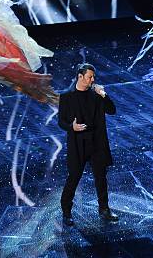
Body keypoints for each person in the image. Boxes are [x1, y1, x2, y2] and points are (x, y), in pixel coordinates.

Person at [58, 63, 119, 226]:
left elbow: (112, 110)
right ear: (80, 76)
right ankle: (66, 211)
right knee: (74, 177)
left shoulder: (97, 95)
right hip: (78, 144)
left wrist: (104, 94)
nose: (92, 80)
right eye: (89, 77)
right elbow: (61, 122)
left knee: (101, 178)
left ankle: (104, 209)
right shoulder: (66, 97)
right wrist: (72, 127)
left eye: (93, 77)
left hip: (97, 143)